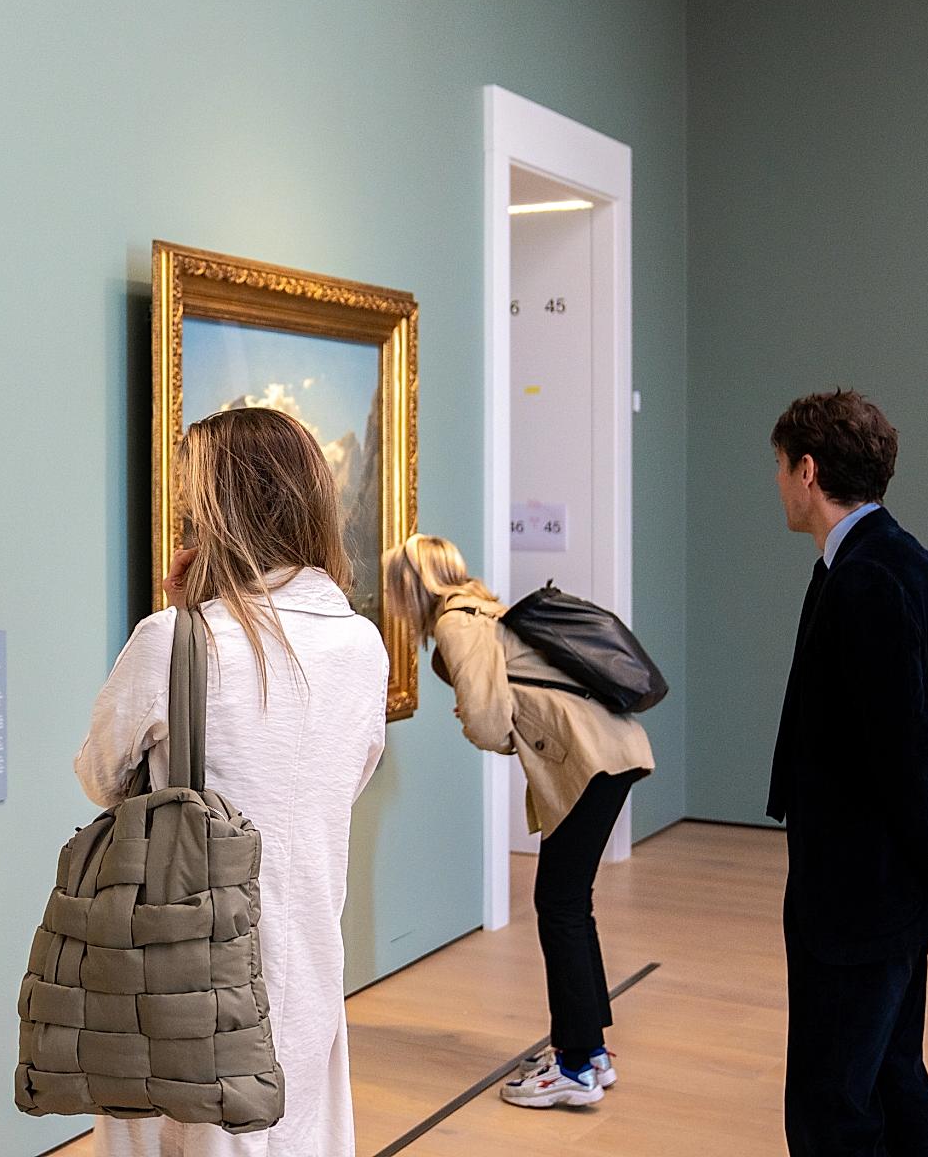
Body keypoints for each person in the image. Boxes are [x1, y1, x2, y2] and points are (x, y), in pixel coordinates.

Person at [73, 407, 388, 1157]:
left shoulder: (173, 641)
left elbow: (98, 776)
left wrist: (182, 617)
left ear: (218, 513)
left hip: (185, 964)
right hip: (307, 950)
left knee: (193, 1133)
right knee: (294, 1126)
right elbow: (347, 776)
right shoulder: (361, 644)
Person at [765, 390, 928, 1155]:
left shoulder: (866, 580)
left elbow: (909, 752)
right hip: (887, 891)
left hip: (856, 898)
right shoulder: (912, 568)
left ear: (808, 470)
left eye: (779, 467)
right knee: (893, 1080)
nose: (777, 483)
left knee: (834, 1102)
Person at [384, 533, 654, 1108]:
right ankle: (590, 1053)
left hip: (590, 759)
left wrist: (485, 721)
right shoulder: (484, 608)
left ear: (412, 585)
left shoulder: (457, 622)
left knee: (558, 907)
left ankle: (576, 1067)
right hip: (612, 749)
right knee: (569, 905)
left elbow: (485, 720)